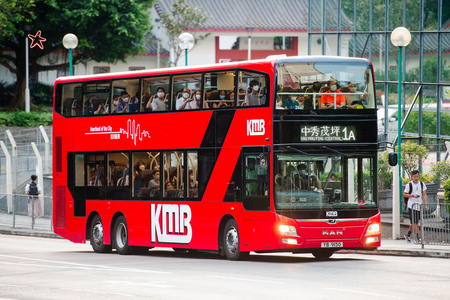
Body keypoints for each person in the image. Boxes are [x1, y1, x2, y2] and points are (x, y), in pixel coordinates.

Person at [403, 170, 428, 242]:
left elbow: (424, 194)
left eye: (417, 176)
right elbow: (404, 194)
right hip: (412, 205)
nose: (416, 178)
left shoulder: (422, 184)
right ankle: (418, 237)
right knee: (415, 222)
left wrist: (425, 204)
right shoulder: (409, 185)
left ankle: (408, 235)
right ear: (412, 176)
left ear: (419, 176)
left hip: (419, 205)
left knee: (413, 222)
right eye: (414, 177)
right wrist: (412, 195)